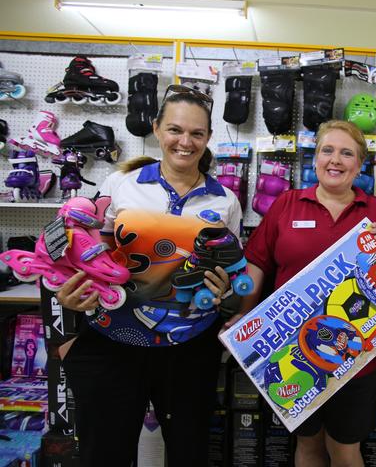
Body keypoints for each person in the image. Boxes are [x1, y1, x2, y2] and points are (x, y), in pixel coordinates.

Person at [55, 85, 242, 467]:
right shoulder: (119, 185)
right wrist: (66, 308)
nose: (185, 142)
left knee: (189, 452)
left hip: (188, 347)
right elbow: (78, 251)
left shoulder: (225, 201)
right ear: (156, 129)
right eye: (175, 130)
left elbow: (229, 267)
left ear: (208, 138)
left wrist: (223, 290)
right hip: (114, 340)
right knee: (104, 453)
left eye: (196, 133)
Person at [226, 120, 376, 467]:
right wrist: (244, 314)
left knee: (345, 449)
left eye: (347, 153)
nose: (335, 160)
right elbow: (257, 263)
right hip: (292, 354)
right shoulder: (286, 204)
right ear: (315, 160)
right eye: (328, 150)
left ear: (359, 165)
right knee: (308, 445)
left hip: (357, 356)